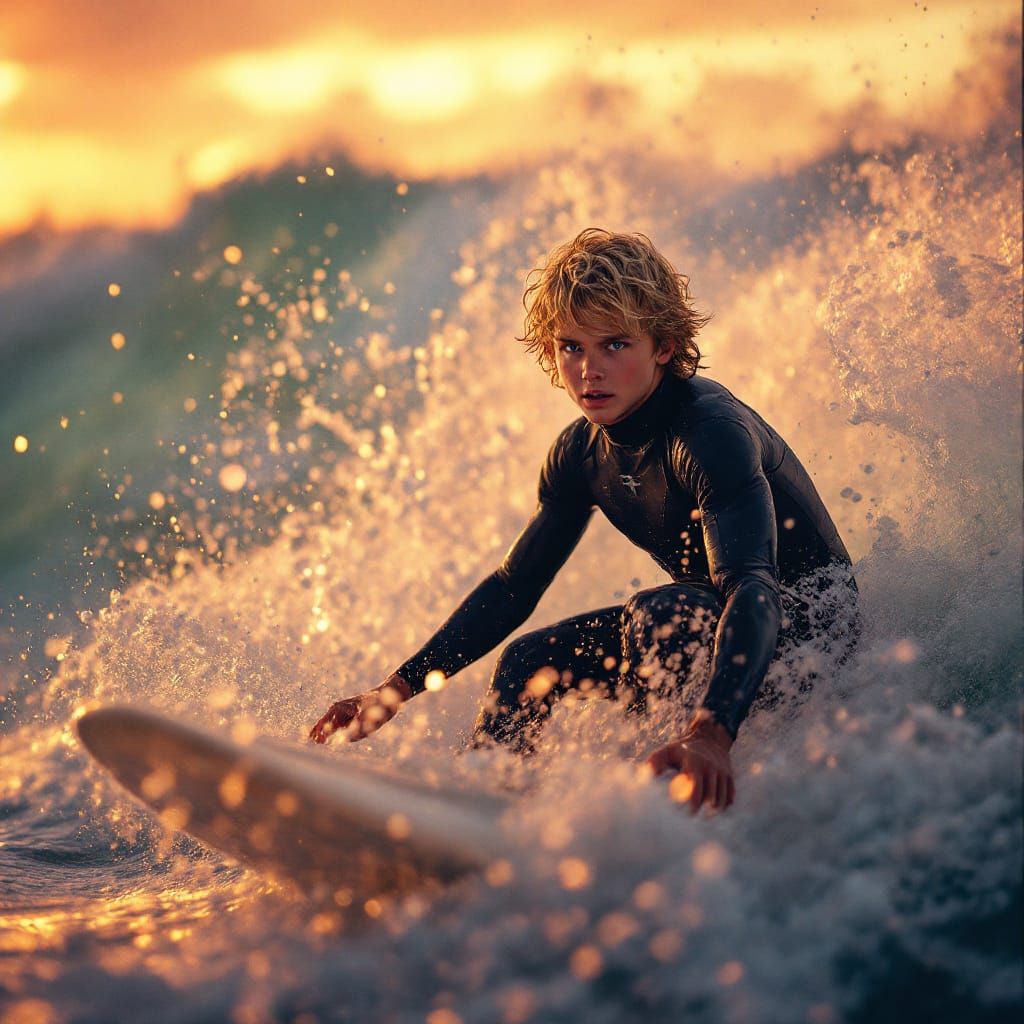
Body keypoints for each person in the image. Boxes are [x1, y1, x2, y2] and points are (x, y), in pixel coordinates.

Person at [309, 229, 858, 813]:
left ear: (665, 346)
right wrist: (393, 692)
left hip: (807, 634)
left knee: (660, 615)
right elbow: (514, 586)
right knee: (527, 661)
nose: (589, 371)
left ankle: (677, 800)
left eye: (614, 344)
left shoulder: (708, 434)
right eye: (571, 347)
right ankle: (479, 811)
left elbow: (751, 583)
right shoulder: (579, 454)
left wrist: (713, 731)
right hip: (704, 621)